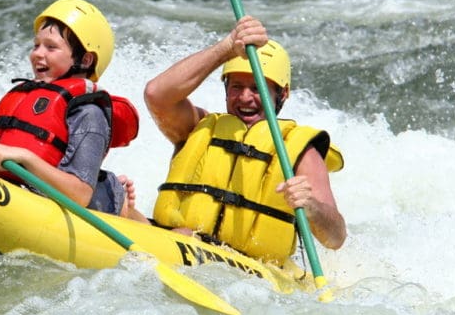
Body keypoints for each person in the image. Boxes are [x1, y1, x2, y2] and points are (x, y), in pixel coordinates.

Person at [143, 15, 346, 265]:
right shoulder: (197, 128)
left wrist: (311, 206)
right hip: (175, 243)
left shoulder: (300, 152)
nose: (245, 98)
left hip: (247, 273)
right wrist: (226, 48)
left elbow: (335, 238)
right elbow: (156, 94)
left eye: (257, 88)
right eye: (236, 87)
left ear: (282, 94)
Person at [0, 0, 147, 222]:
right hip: (25, 189)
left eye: (51, 47)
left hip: (85, 202)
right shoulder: (25, 96)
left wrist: (26, 158)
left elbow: (79, 195)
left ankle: (131, 212)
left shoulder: (90, 114)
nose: (38, 54)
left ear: (86, 60)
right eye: (36, 45)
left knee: (112, 200)